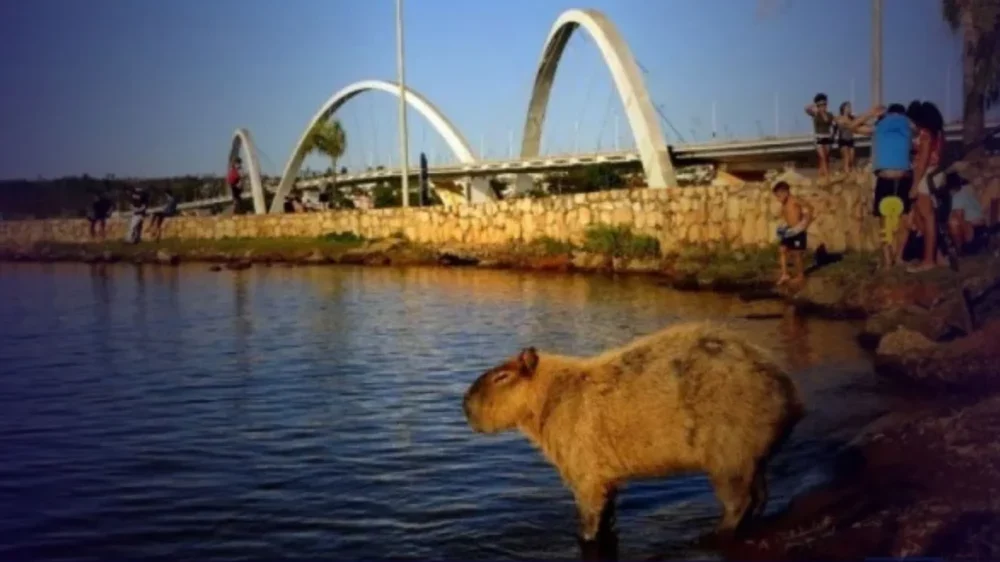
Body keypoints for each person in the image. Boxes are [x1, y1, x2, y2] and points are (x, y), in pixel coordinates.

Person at [864, 103, 914, 270]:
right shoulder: (880, 128)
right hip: (888, 179)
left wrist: (872, 113)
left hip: (900, 179)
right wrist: (872, 113)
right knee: (886, 221)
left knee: (902, 220)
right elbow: (853, 127)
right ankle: (888, 260)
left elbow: (920, 127)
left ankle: (897, 257)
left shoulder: (907, 128)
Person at [908, 101, 946, 273]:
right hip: (935, 173)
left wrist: (915, 185)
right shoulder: (938, 133)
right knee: (922, 215)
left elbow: (922, 162)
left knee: (927, 217)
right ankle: (936, 255)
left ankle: (928, 260)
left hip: (925, 176)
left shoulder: (925, 134)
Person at [772, 181, 815, 286]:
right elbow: (787, 215)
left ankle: (801, 276)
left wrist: (806, 222)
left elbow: (810, 207)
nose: (778, 199)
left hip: (798, 231)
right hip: (789, 231)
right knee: (782, 250)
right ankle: (785, 274)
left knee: (797, 254)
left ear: (786, 192)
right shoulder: (784, 203)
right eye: (776, 196)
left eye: (779, 196)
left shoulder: (795, 200)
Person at [948, 176, 988, 254]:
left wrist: (968, 233)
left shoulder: (957, 196)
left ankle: (959, 250)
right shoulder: (966, 194)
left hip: (974, 231)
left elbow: (959, 216)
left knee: (953, 222)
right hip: (982, 229)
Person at [804, 93, 835, 183]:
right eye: (821, 105)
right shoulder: (815, 114)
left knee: (825, 158)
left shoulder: (829, 114)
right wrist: (815, 104)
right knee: (823, 156)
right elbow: (806, 108)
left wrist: (822, 112)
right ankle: (827, 176)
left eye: (824, 104)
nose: (823, 106)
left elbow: (828, 122)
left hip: (827, 137)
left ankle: (821, 175)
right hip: (818, 138)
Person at [834, 102, 858, 173]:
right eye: (848, 107)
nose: (850, 108)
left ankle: (848, 172)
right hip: (842, 140)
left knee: (852, 159)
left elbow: (859, 124)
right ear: (843, 108)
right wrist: (832, 138)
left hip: (851, 140)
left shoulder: (852, 118)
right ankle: (847, 173)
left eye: (850, 107)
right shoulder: (839, 118)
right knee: (846, 158)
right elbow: (835, 129)